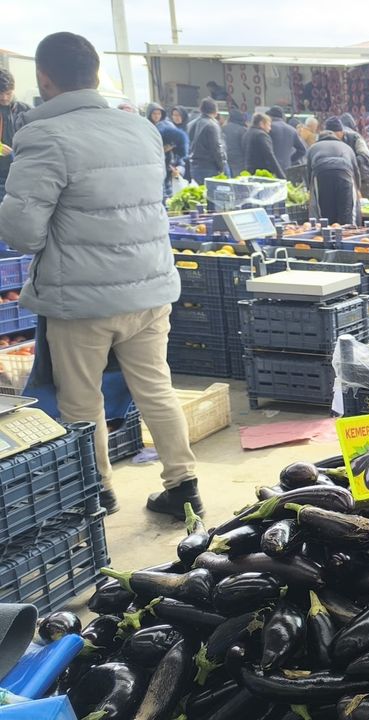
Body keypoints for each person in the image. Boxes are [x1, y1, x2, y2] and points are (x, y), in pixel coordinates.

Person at [0, 32, 200, 518]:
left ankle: (98, 491)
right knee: (156, 387)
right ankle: (184, 486)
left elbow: (23, 233)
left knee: (81, 401)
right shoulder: (141, 129)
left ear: (44, 79)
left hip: (81, 299)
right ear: (95, 74)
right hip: (149, 288)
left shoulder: (44, 136)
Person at [306, 117, 359, 225]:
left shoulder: (312, 148)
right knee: (346, 215)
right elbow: (356, 172)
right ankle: (347, 231)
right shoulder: (346, 147)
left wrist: (309, 190)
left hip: (321, 175)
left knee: (325, 216)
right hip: (345, 174)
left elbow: (309, 173)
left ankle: (326, 232)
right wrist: (357, 189)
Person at [0, 68, 32, 203]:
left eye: (8, 93)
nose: (4, 97)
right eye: (0, 93)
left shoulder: (26, 110)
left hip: (21, 173)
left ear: (14, 90)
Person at [186, 98, 227, 183]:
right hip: (210, 166)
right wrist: (222, 166)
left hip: (194, 166)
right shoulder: (212, 125)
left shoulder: (191, 124)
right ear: (215, 110)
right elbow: (216, 148)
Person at [339, 112, 369, 200]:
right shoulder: (353, 135)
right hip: (361, 175)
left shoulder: (354, 136)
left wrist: (349, 165)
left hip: (366, 175)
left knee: (366, 203)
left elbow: (365, 157)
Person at [266, 105, 308, 171]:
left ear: (270, 116)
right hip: (286, 168)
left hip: (269, 167)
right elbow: (302, 150)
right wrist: (290, 160)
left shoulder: (268, 128)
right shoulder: (292, 130)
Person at [244, 112, 285, 179]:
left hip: (249, 171)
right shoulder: (262, 135)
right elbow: (270, 156)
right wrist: (281, 176)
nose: (270, 128)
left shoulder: (247, 134)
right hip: (263, 173)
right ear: (261, 124)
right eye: (268, 125)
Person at [222, 109, 249, 176]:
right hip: (239, 163)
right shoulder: (243, 130)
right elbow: (247, 148)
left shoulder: (222, 128)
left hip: (225, 161)